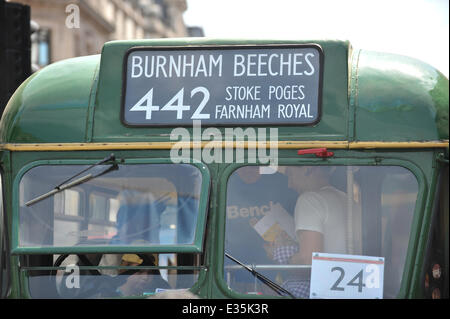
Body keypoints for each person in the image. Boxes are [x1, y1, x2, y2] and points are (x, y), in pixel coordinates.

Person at [271, 166, 348, 298]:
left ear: (307, 169)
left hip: (324, 291)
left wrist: (280, 255)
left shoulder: (309, 200)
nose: (289, 184)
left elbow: (308, 262)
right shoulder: (349, 201)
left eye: (290, 175)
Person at [224, 166, 298, 294]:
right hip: (233, 267)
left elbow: (296, 223)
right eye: (243, 167)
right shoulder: (226, 183)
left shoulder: (279, 183)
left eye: (252, 166)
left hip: (275, 270)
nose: (248, 170)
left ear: (259, 164)